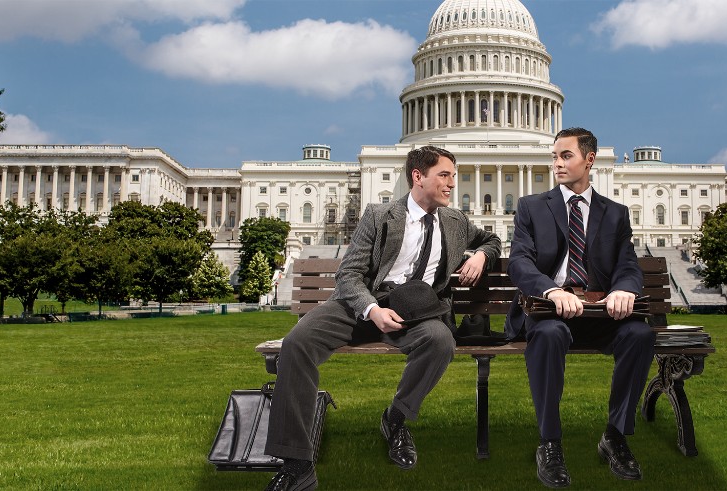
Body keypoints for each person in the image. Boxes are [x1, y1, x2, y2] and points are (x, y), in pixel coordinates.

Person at [265, 146, 502, 491]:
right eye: (445, 175)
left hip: (418, 311)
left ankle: (396, 419)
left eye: (454, 175)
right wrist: (372, 310)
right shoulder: (379, 215)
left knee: (440, 341)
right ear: (418, 177)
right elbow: (349, 275)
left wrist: (481, 254)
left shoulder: (456, 222)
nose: (453, 183)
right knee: (297, 343)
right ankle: (298, 464)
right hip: (365, 304)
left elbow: (493, 240)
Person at [506, 127, 655, 488]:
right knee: (550, 334)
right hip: (550, 311)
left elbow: (628, 265)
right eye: (554, 156)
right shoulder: (531, 207)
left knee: (639, 334)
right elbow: (520, 262)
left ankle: (616, 436)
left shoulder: (616, 214)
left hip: (600, 312)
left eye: (566, 156)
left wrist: (624, 289)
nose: (556, 163)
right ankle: (550, 443)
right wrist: (550, 291)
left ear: (589, 159)